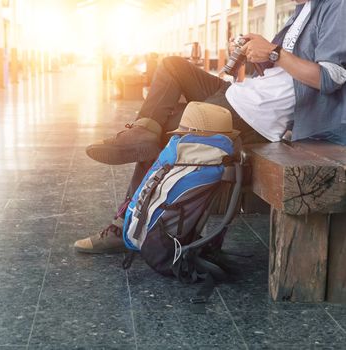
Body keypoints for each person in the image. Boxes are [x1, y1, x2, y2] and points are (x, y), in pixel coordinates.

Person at [74, 0, 346, 254]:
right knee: (172, 66)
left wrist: (274, 52)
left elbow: (329, 78)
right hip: (238, 95)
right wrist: (250, 56)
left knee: (165, 129)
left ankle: (126, 223)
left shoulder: (336, 6)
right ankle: (140, 135)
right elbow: (272, 74)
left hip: (254, 116)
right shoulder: (301, 11)